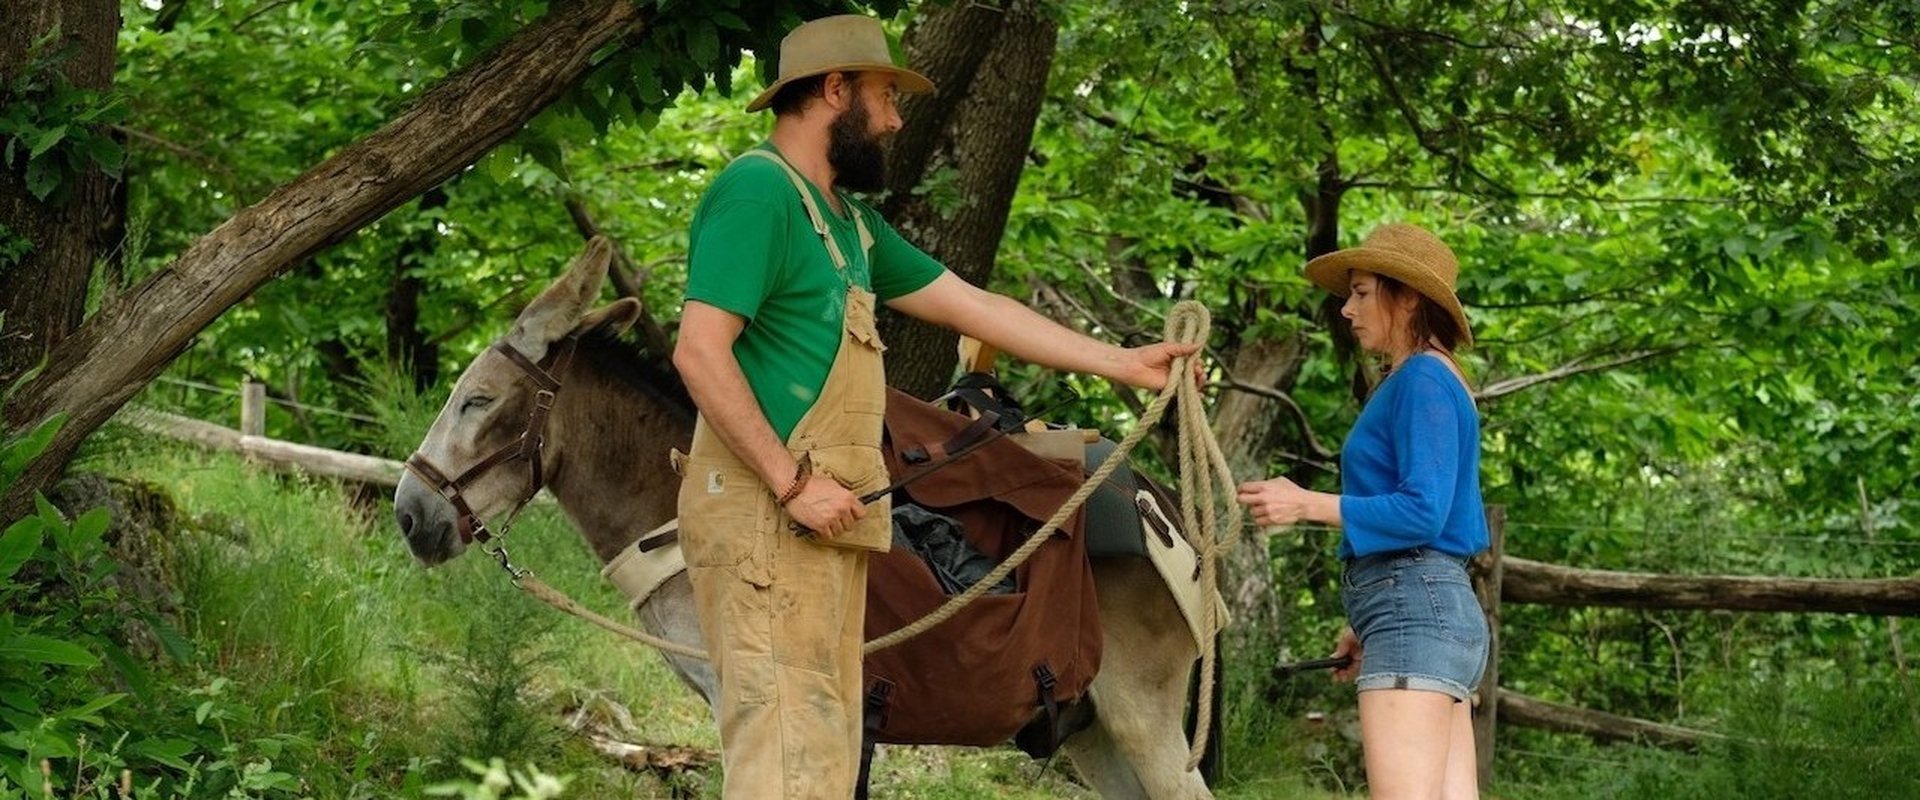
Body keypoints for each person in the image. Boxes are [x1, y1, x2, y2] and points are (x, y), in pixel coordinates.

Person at [669, 14, 1199, 799]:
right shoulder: (757, 191)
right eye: (885, 95)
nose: (894, 119)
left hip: (825, 528)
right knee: (784, 759)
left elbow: (975, 307)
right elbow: (699, 351)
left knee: (820, 753)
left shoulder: (848, 223)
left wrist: (1124, 361)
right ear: (835, 90)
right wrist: (790, 481)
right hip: (766, 524)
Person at [1235, 223, 1490, 800]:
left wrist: (1304, 503)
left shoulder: (1423, 378)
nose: (1347, 309)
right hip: (1426, 610)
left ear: (1407, 297)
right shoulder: (1428, 377)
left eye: (1362, 292)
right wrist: (1368, 621)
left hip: (1417, 611)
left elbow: (1423, 512)